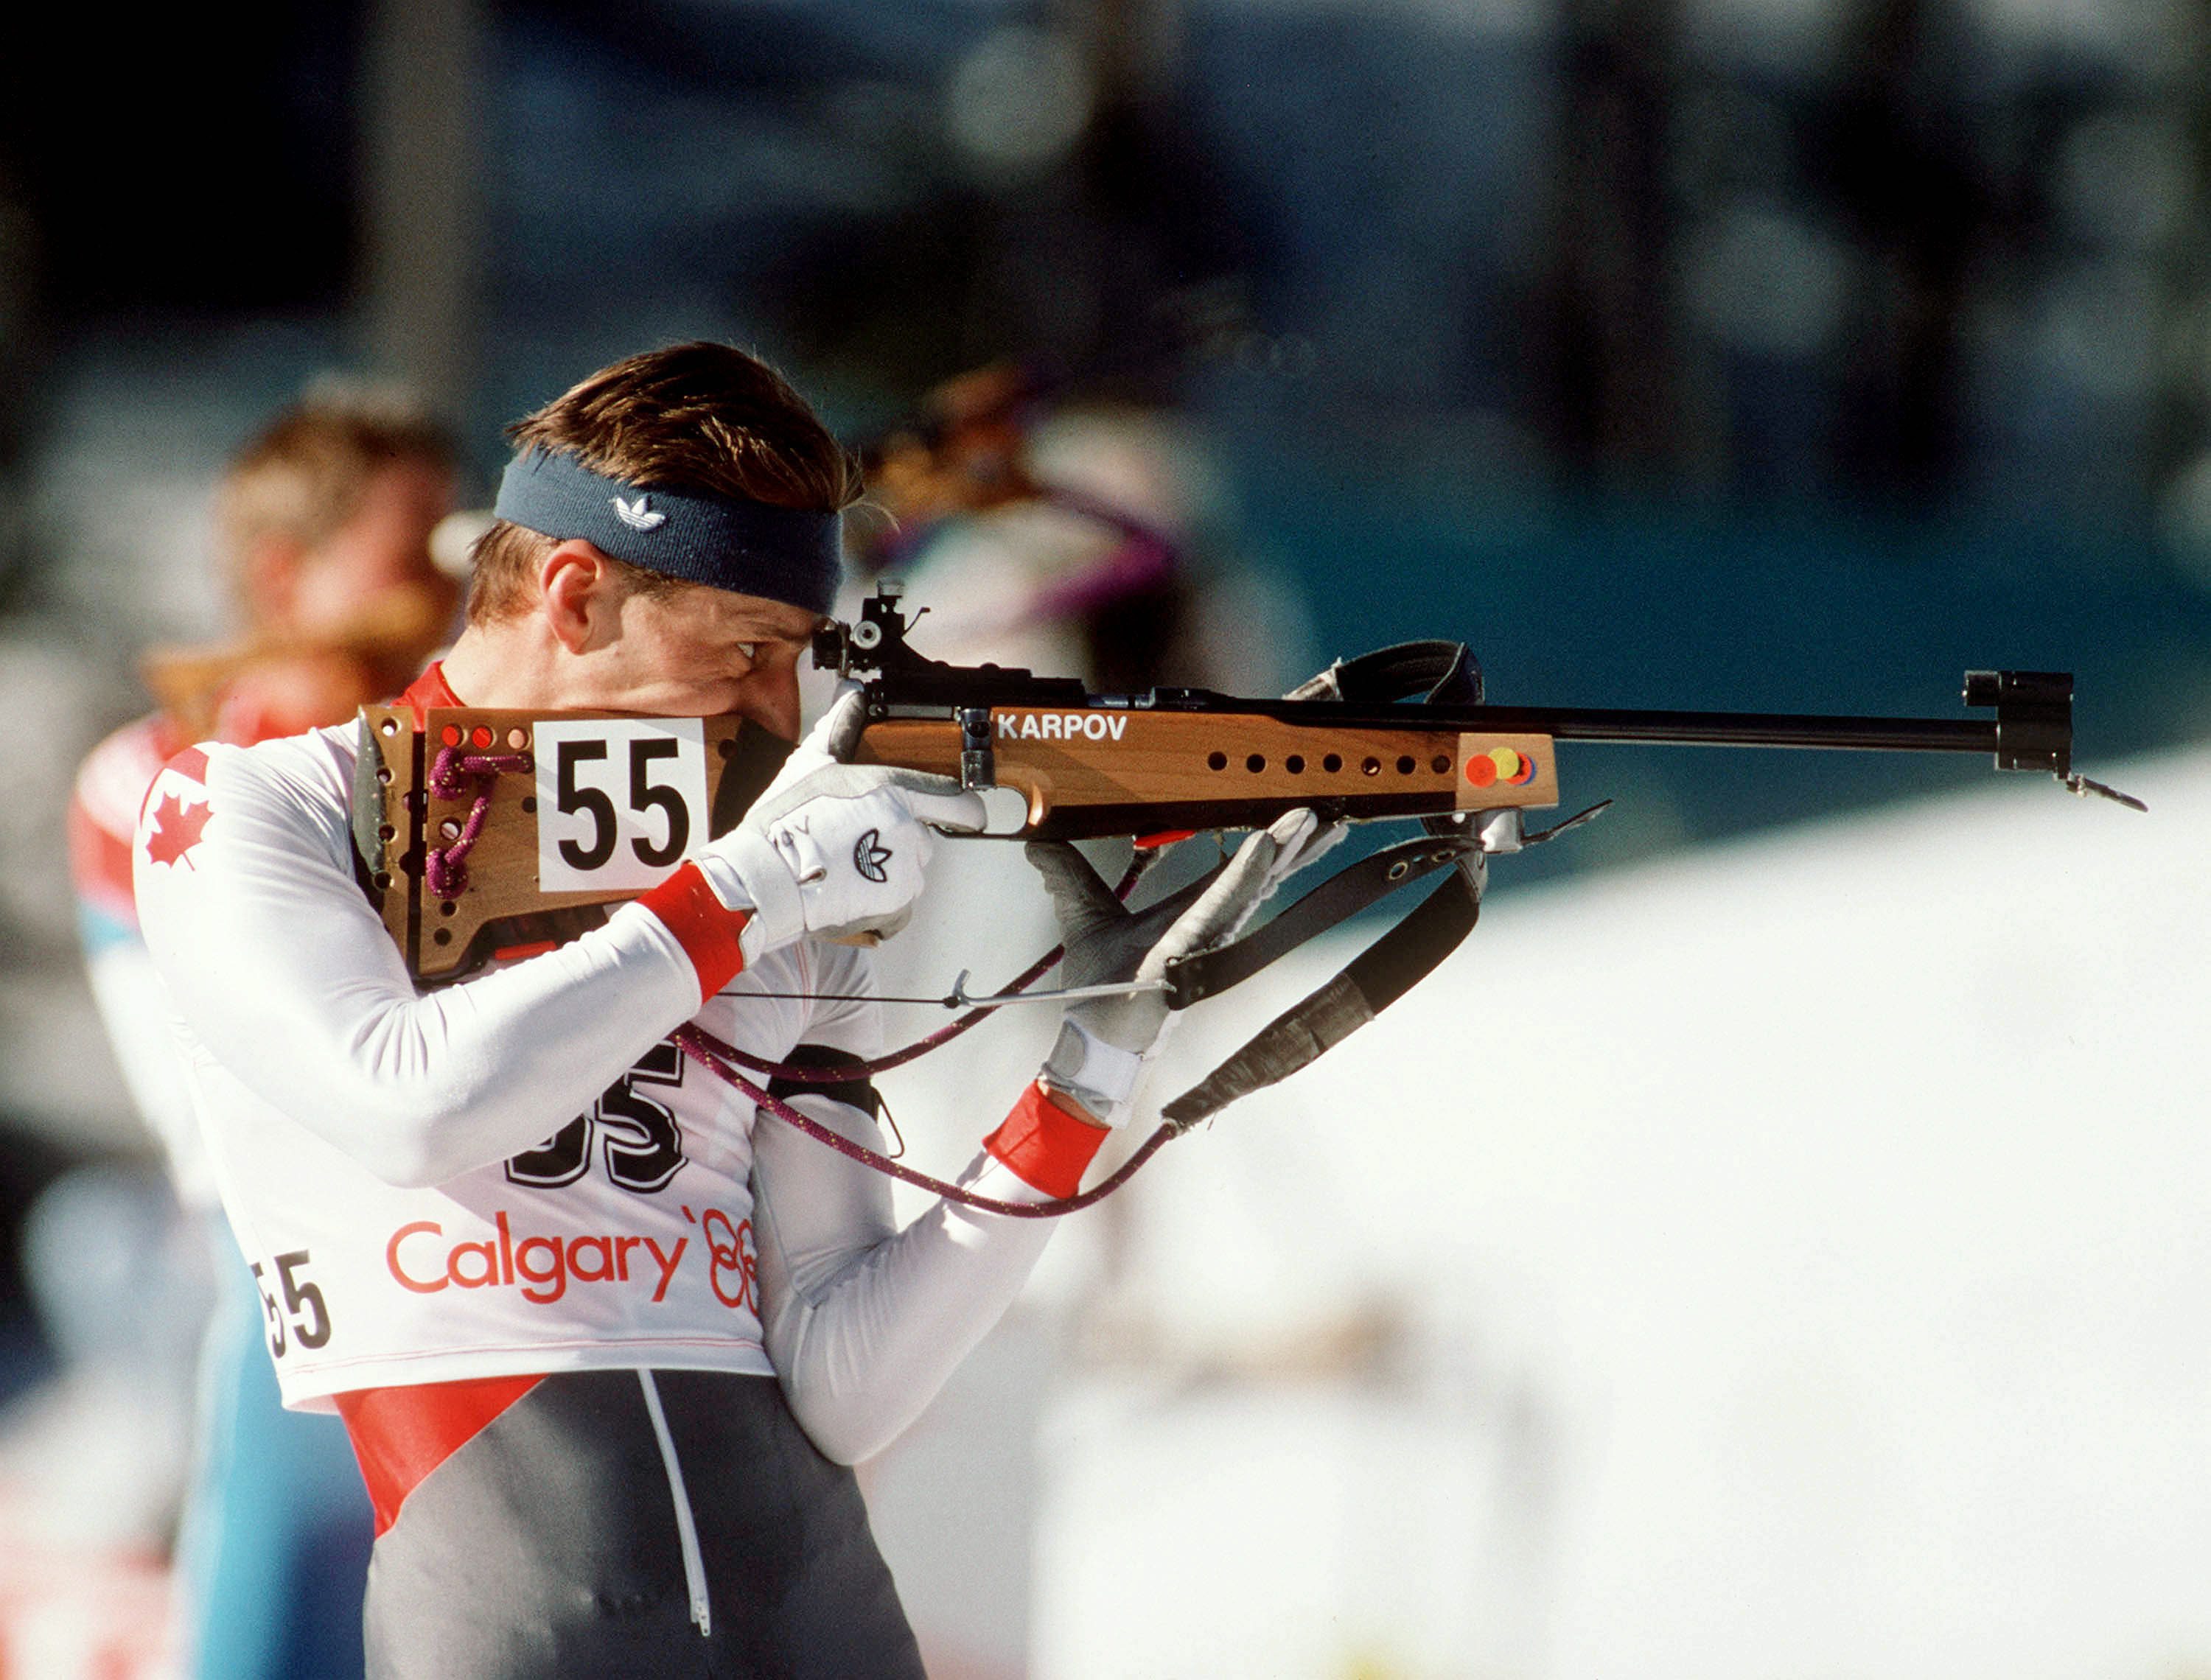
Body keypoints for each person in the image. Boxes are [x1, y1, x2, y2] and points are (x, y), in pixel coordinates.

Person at [130, 342, 1335, 1677]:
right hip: (524, 1621)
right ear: (575, 594)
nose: (776, 710)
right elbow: (410, 1106)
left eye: (797, 658)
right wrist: (743, 892)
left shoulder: (764, 872)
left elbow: (844, 1384)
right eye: (748, 650)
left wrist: (1089, 1077)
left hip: (822, 1620)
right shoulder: (251, 806)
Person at [69, 388, 459, 1679]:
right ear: (286, 575)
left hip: (486, 1308)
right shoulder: (152, 778)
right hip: (295, 1306)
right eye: (410, 559)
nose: (445, 597)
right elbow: (242, 1099)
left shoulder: (478, 771)